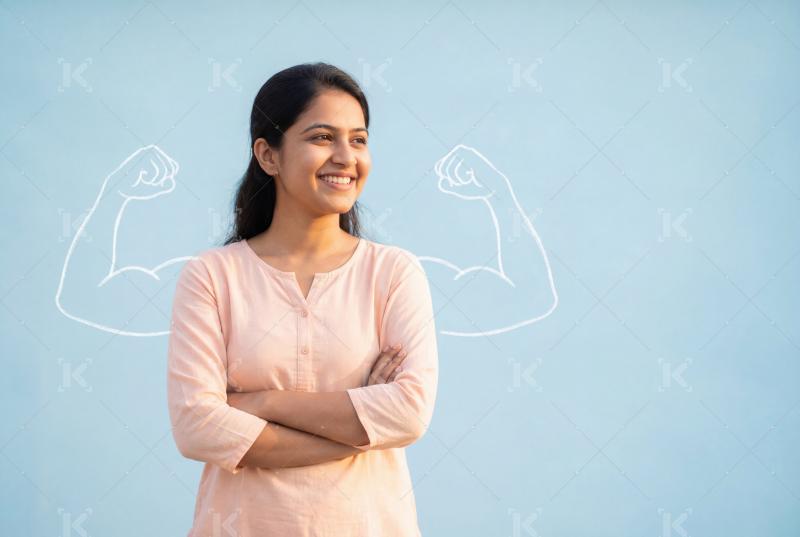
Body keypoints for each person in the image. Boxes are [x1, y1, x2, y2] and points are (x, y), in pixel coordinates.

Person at [166, 62, 439, 536]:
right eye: (321, 137)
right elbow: (197, 427)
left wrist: (260, 402)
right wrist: (357, 433)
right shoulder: (212, 276)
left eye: (358, 139)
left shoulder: (393, 273)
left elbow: (408, 413)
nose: (345, 156)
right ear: (268, 156)